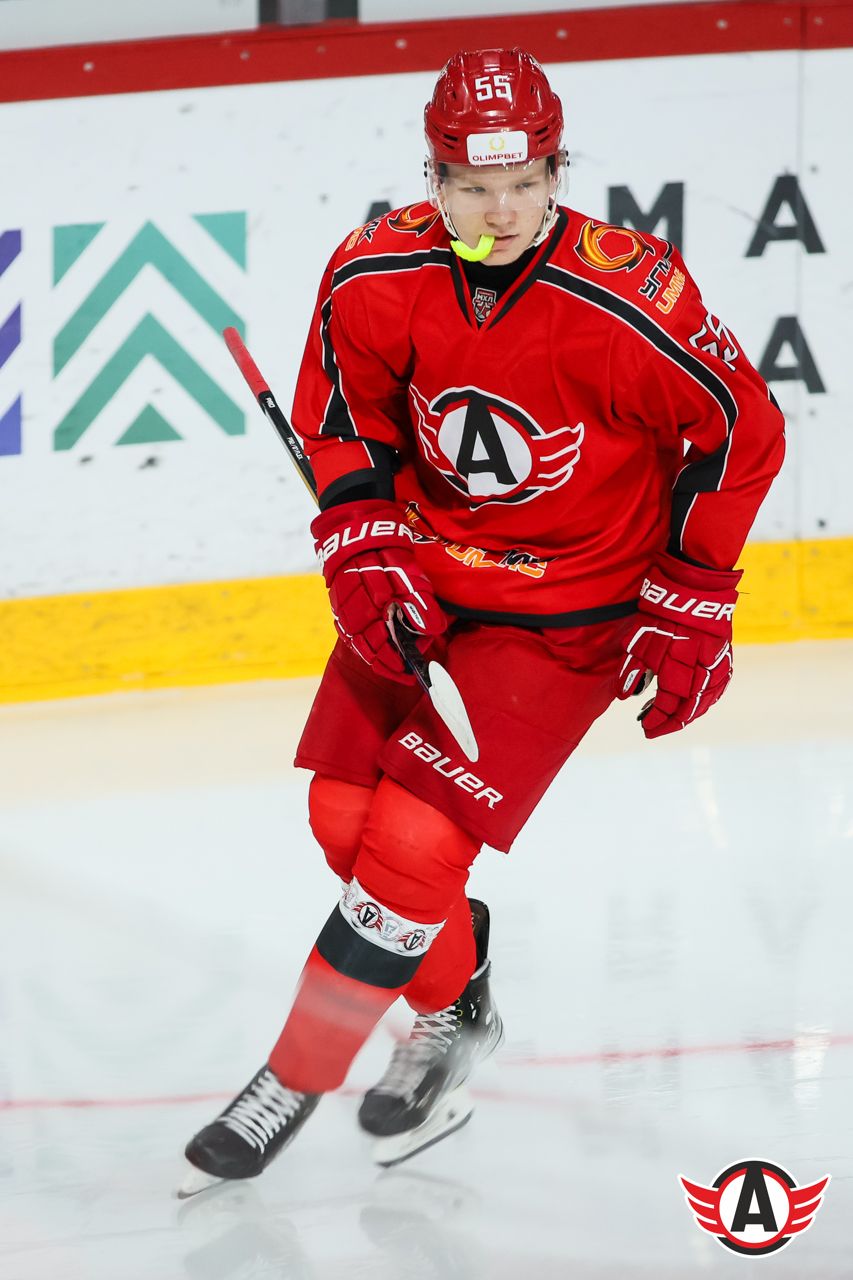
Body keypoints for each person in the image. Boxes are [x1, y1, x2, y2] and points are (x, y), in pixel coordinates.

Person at [181, 47, 785, 1192]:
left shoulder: (626, 296)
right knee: (341, 816)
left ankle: (289, 1078)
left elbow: (739, 430)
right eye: (471, 186)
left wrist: (693, 599)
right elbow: (345, 416)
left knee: (413, 847)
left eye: (524, 183)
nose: (500, 212)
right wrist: (362, 541)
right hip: (424, 589)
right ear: (434, 177)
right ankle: (457, 1013)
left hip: (564, 617)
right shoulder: (375, 270)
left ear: (556, 173)